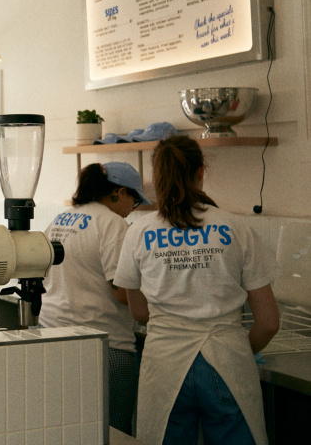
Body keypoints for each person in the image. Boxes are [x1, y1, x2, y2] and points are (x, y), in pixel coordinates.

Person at [114, 135, 280, 445]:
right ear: (201, 171)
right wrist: (241, 350)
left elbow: (139, 312)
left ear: (156, 178)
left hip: (165, 364)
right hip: (226, 359)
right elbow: (269, 321)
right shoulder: (237, 228)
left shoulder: (139, 232)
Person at [39, 161, 149, 436]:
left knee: (65, 429)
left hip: (52, 337)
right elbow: (121, 291)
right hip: (104, 345)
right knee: (113, 433)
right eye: (134, 202)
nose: (132, 210)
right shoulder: (112, 225)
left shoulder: (59, 220)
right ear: (119, 193)